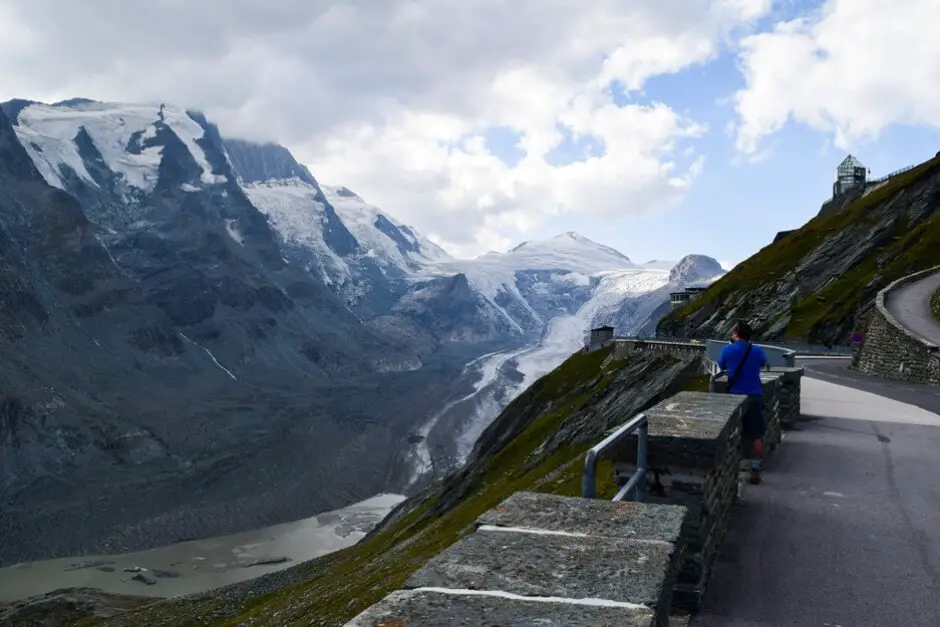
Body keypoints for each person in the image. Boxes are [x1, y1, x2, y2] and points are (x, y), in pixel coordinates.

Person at [717, 320, 768, 485]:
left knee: (731, 432)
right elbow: (762, 363)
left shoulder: (728, 349)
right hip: (754, 395)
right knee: (756, 435)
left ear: (736, 333)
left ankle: (729, 469)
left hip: (734, 397)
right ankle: (755, 468)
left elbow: (721, 365)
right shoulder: (757, 350)